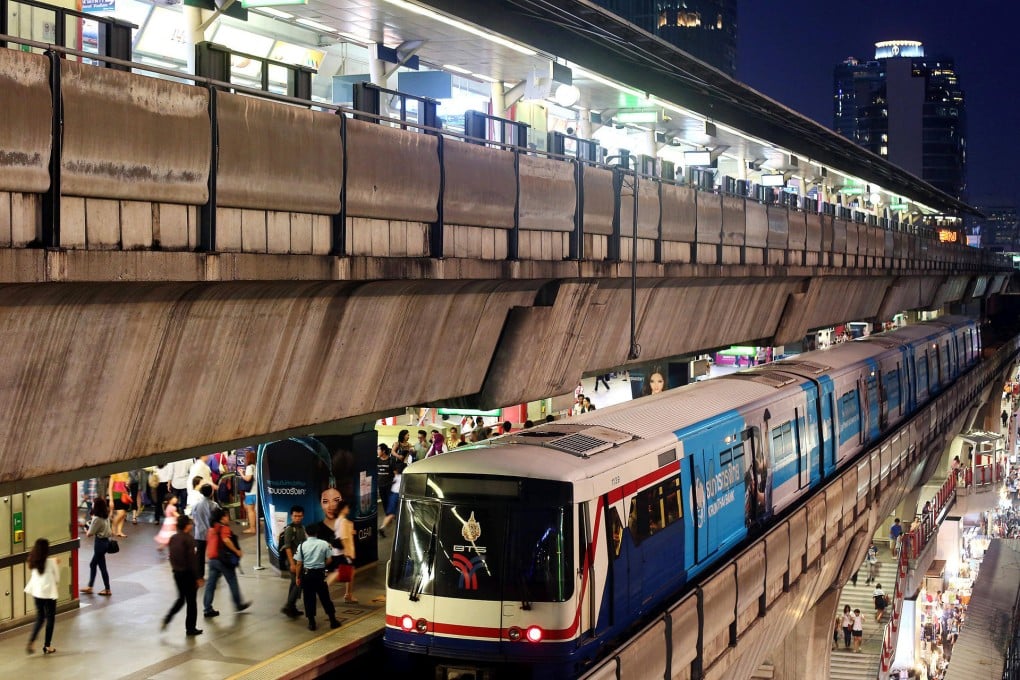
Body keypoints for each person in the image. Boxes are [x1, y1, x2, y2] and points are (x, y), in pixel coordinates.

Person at [203, 507, 251, 618]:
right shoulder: (224, 528)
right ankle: (238, 604)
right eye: (226, 515)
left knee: (210, 585)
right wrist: (237, 551)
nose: (228, 518)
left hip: (212, 560)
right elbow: (226, 540)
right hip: (223, 561)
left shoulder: (211, 529)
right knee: (232, 581)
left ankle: (207, 608)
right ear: (221, 517)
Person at [293, 525, 341, 631]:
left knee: (309, 599)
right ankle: (333, 621)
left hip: (307, 575)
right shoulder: (324, 544)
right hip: (320, 574)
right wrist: (321, 564)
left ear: (306, 533)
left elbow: (299, 563)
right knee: (325, 597)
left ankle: (312, 623)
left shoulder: (301, 546)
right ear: (317, 533)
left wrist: (297, 577)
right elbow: (329, 560)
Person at [162, 515, 204, 636]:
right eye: (190, 523)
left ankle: (168, 617)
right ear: (187, 526)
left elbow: (171, 556)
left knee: (181, 599)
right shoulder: (189, 539)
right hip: (188, 575)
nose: (192, 525)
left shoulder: (173, 538)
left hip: (177, 573)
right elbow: (192, 560)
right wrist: (198, 577)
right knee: (191, 602)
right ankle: (190, 628)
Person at [24, 538, 59, 654]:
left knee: (40, 618)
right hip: (49, 594)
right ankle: (47, 646)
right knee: (50, 618)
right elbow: (57, 579)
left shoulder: (32, 561)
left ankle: (32, 641)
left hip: (37, 593)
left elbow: (43, 564)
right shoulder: (51, 562)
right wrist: (55, 563)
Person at [326, 500, 358, 603]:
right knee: (338, 573)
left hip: (338, 552)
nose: (348, 509)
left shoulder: (339, 520)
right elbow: (343, 538)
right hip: (343, 553)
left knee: (351, 572)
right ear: (343, 509)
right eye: (347, 507)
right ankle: (322, 587)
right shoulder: (343, 521)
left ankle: (348, 595)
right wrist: (348, 553)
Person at [81, 497, 113, 596]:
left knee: (99, 566)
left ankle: (105, 589)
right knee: (96, 565)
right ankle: (92, 587)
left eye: (94, 503)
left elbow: (89, 534)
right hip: (106, 542)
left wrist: (85, 527)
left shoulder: (96, 519)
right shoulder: (105, 516)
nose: (93, 505)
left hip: (99, 544)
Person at [280, 505, 307, 619]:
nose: (297, 518)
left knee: (294, 584)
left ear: (303, 516)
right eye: (295, 516)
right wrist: (292, 564)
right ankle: (288, 606)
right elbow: (287, 547)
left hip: (300, 561)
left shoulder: (302, 528)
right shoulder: (290, 529)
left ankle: (292, 607)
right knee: (298, 583)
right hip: (294, 562)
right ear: (291, 516)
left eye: (299, 516)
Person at [191, 483, 218, 577]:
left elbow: (193, 517)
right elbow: (218, 519)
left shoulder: (196, 505)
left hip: (199, 533)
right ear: (211, 492)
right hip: (212, 534)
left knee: (199, 556)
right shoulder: (214, 505)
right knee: (214, 554)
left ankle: (199, 575)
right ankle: (214, 573)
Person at [378, 459, 406, 538]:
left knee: (391, 514)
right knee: (394, 514)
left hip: (392, 494)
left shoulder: (396, 476)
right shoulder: (403, 478)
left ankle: (382, 527)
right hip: (397, 496)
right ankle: (383, 528)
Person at [108, 471, 131, 537]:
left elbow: (126, 486)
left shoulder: (126, 473)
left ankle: (119, 531)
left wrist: (128, 484)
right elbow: (110, 488)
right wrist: (111, 500)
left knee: (123, 515)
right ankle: (113, 525)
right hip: (116, 495)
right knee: (121, 513)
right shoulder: (114, 474)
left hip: (124, 495)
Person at [241, 455, 257, 534]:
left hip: (250, 492)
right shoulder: (255, 467)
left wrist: (241, 473)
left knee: (250, 510)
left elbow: (248, 478)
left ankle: (252, 528)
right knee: (252, 510)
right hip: (255, 491)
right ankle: (255, 524)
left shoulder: (249, 467)